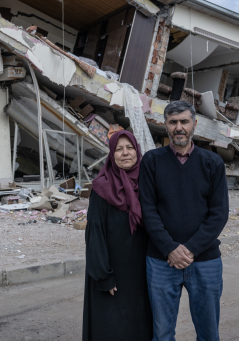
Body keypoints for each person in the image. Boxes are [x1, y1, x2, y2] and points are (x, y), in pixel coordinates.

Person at [140, 100, 229, 341]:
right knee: (161, 332)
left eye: (184, 121)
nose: (179, 127)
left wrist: (189, 249)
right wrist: (170, 248)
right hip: (161, 261)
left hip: (205, 260)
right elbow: (148, 210)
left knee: (209, 332)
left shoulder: (212, 163)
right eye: (173, 122)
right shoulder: (151, 161)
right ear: (165, 125)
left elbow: (219, 213)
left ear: (194, 124)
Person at [82, 130, 153, 341]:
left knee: (139, 325)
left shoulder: (147, 183)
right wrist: (104, 275)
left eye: (129, 148)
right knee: (112, 327)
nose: (125, 153)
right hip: (113, 272)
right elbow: (94, 233)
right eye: (119, 149)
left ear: (137, 151)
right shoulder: (101, 188)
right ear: (112, 155)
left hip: (142, 271)